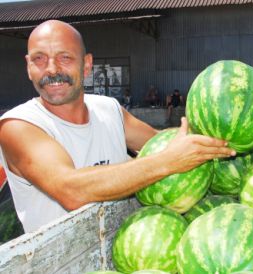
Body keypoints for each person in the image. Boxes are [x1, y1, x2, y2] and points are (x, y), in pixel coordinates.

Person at [0, 20, 235, 233]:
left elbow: (160, 141)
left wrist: (222, 131)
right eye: (39, 58)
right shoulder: (18, 126)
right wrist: (167, 161)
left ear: (87, 65)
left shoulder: (108, 109)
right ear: (28, 66)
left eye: (65, 57)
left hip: (123, 250)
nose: (51, 69)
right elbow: (70, 189)